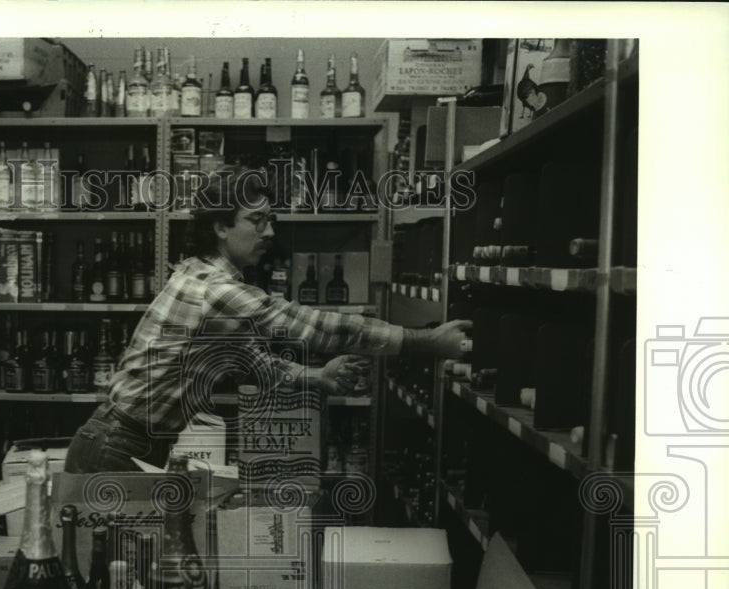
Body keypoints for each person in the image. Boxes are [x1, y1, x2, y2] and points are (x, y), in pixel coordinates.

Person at [64, 165, 471, 474]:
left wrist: (319, 378)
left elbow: (254, 362)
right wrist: (426, 342)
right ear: (220, 226)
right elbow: (313, 325)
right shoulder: (215, 290)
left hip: (125, 441)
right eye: (257, 221)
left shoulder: (205, 279)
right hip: (115, 446)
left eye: (271, 220)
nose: (270, 231)